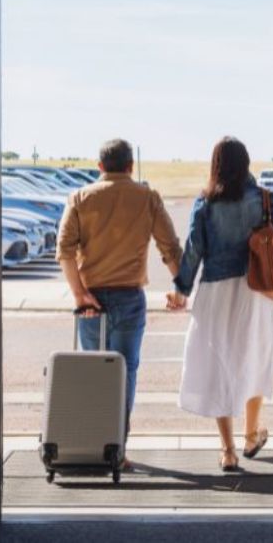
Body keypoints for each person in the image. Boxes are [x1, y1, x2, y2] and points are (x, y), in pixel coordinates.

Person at [57, 138, 184, 468]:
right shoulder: (147, 197)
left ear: (100, 167)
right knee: (124, 374)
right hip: (130, 298)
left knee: (91, 374)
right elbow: (170, 247)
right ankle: (117, 449)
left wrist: (79, 294)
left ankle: (91, 445)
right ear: (130, 166)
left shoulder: (80, 198)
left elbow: (65, 251)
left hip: (91, 302)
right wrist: (180, 288)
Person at [167, 137, 273, 471]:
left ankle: (228, 450)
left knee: (220, 363)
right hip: (255, 292)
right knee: (253, 357)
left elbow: (194, 250)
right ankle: (252, 434)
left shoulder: (205, 203)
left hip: (216, 292)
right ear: (247, 163)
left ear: (216, 165)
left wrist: (180, 289)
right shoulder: (266, 200)